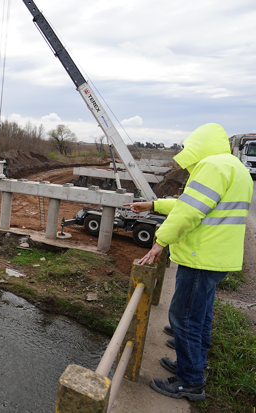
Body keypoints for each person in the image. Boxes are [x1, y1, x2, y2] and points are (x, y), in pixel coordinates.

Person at [124, 123, 252, 402]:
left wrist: (160, 241)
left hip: (200, 257)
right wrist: (153, 205)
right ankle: (193, 363)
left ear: (199, 146)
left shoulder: (212, 167)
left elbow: (189, 212)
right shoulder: (234, 167)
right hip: (217, 257)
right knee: (200, 315)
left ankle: (190, 381)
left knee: (184, 318)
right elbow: (191, 204)